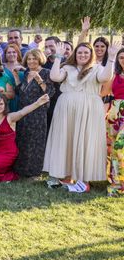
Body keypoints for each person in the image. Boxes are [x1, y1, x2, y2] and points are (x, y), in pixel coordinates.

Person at [44, 41, 118, 193]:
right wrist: (58, 57)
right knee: (67, 140)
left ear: (91, 55)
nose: (83, 55)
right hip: (66, 109)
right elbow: (55, 77)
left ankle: (83, 181)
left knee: (85, 140)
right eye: (79, 52)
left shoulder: (97, 68)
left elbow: (105, 78)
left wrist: (111, 58)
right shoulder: (67, 68)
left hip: (89, 108)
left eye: (86, 52)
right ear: (75, 54)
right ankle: (66, 176)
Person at [13, 49, 54, 178]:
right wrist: (15, 76)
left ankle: (35, 172)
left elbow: (50, 92)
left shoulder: (46, 72)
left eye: (34, 59)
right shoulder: (26, 73)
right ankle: (22, 170)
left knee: (35, 142)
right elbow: (21, 91)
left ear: (40, 59)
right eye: (29, 59)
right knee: (23, 139)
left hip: (37, 113)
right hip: (23, 111)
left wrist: (39, 79)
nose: (31, 61)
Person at [106, 47, 124, 196]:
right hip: (114, 113)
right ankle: (116, 182)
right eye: (121, 57)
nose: (123, 59)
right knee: (112, 149)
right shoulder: (115, 76)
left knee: (120, 148)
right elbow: (104, 93)